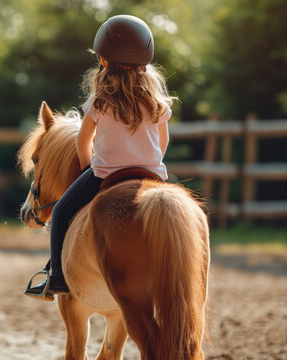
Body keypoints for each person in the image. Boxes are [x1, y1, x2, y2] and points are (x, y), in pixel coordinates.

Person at [26, 14, 177, 298]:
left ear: (104, 61)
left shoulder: (99, 101)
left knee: (59, 212)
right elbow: (163, 140)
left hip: (106, 174)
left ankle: (57, 277)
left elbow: (84, 142)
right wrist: (151, 163)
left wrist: (88, 170)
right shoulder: (156, 102)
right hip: (152, 174)